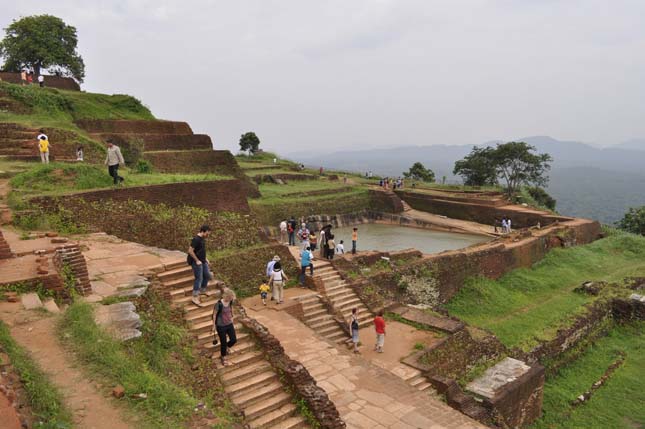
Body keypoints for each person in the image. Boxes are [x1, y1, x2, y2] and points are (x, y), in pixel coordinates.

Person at [187, 225, 212, 306]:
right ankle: (194, 296)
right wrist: (197, 260)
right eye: (207, 233)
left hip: (203, 261)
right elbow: (190, 251)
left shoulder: (202, 239)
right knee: (199, 278)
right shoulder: (196, 239)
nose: (208, 235)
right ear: (203, 231)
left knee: (207, 275)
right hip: (196, 262)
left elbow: (201, 250)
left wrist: (206, 259)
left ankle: (202, 290)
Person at [212, 288, 237, 366]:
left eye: (231, 298)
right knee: (223, 342)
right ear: (226, 296)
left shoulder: (230, 302)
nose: (230, 299)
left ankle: (227, 347)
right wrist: (213, 325)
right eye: (229, 298)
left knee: (233, 339)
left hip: (229, 323)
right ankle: (223, 357)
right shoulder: (218, 304)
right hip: (221, 325)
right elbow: (214, 314)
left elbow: (231, 308)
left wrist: (232, 316)